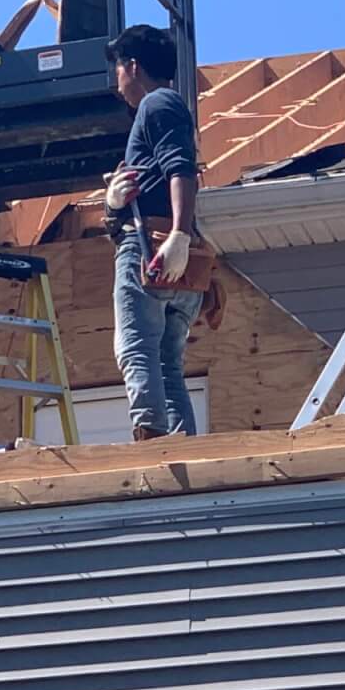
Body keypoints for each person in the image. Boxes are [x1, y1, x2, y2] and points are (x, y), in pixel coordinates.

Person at [103, 24, 207, 440]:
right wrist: (114, 203)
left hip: (153, 250)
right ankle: (181, 445)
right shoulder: (163, 108)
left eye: (119, 69)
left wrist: (180, 234)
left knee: (136, 348)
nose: (117, 81)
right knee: (168, 363)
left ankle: (151, 441)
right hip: (174, 256)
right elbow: (168, 173)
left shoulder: (157, 103)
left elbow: (181, 169)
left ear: (132, 66)